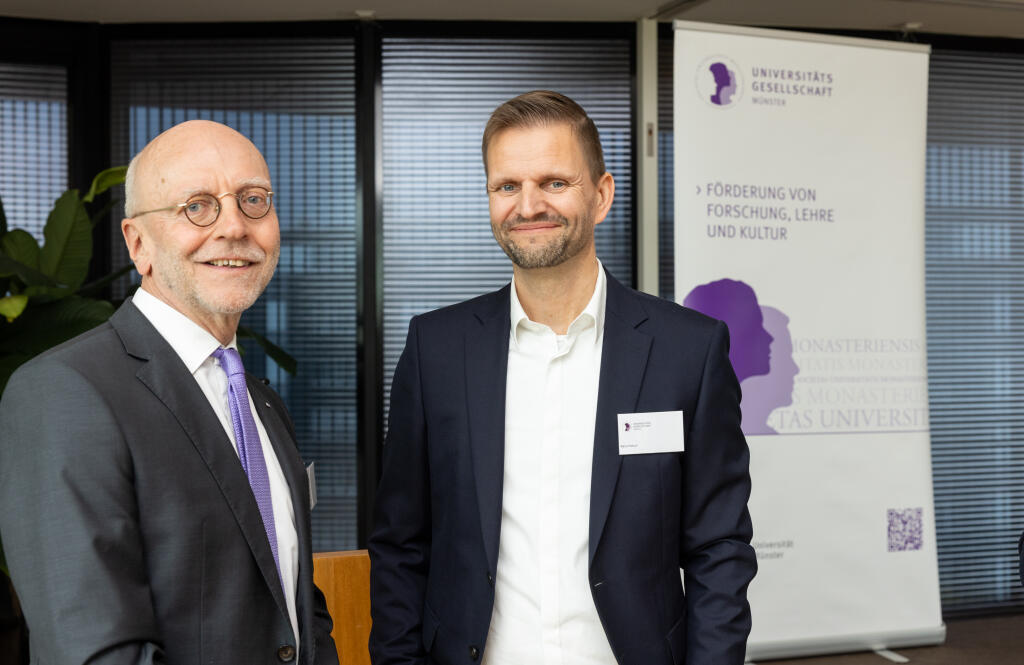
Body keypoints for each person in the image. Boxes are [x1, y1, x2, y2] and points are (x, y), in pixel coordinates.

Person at [369, 91, 756, 665]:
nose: (528, 205)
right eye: (507, 186)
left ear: (601, 195)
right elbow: (401, 544)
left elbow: (718, 547)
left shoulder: (688, 351)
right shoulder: (436, 350)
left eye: (554, 182)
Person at [0, 120, 338, 664]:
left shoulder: (262, 402)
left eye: (253, 200)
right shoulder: (66, 392)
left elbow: (295, 608)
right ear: (139, 244)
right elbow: (94, 651)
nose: (235, 226)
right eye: (197, 206)